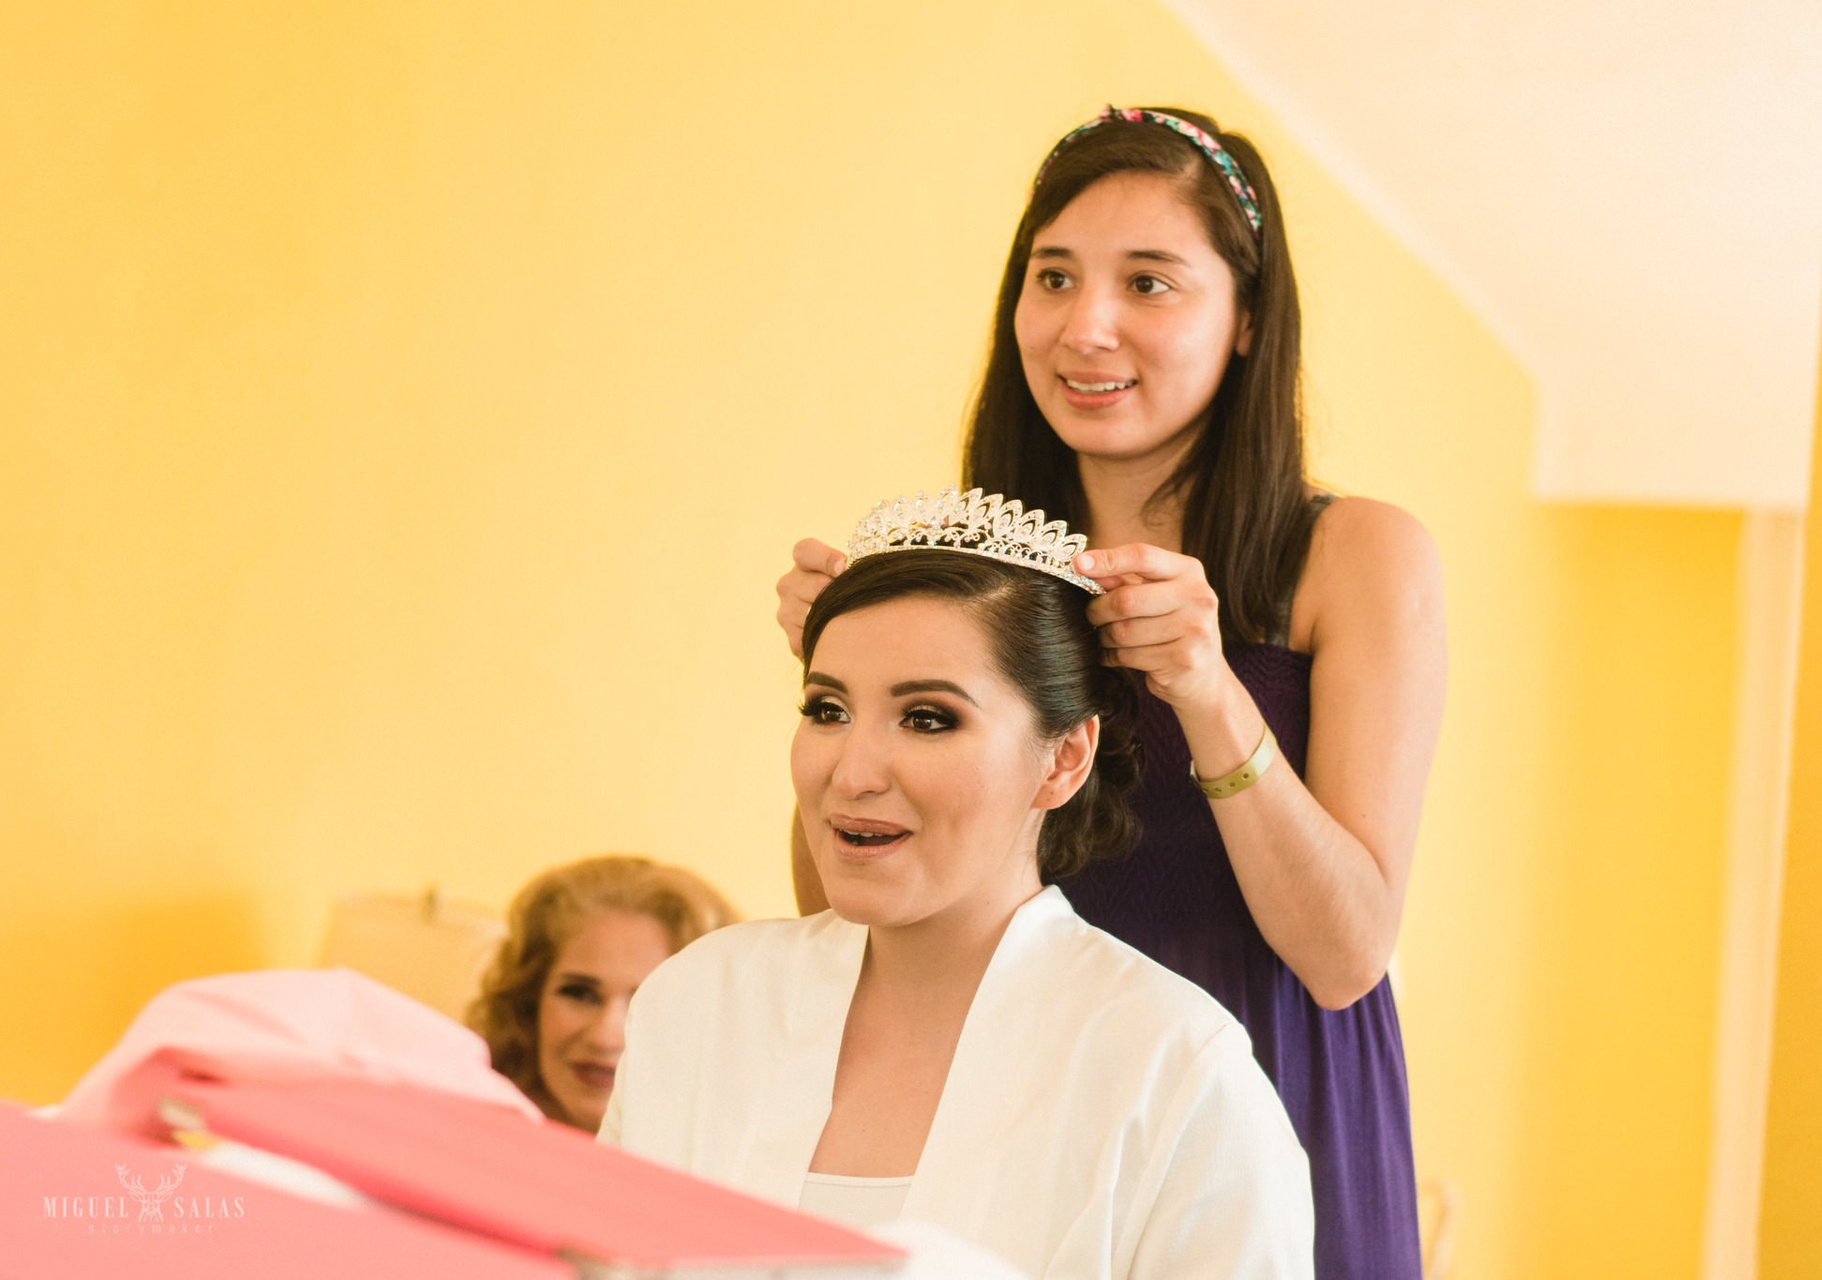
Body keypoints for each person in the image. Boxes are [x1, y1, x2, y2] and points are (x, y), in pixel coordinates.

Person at [776, 107, 1446, 1279]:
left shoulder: (1358, 556)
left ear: (1247, 318)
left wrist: (1207, 689)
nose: (1086, 326)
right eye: (1054, 277)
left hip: (1278, 1099)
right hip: (1020, 1113)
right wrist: (850, 694)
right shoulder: (971, 565)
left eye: (1148, 282)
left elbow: (1347, 951)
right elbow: (852, 909)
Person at [607, 491, 1313, 1278]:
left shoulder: (1174, 1073)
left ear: (1064, 759)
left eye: (928, 718)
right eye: (828, 709)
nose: (852, 773)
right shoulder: (698, 1004)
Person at [468, 854, 737, 1132]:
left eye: (650, 1005)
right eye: (580, 994)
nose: (604, 1038)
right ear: (528, 1003)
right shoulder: (465, 1123)